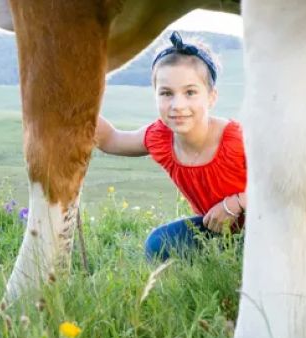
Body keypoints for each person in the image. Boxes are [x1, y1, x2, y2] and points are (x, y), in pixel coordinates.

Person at [95, 31, 247, 261]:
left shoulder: (237, 138)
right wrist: (72, 102)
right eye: (166, 93)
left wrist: (236, 203)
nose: (177, 104)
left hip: (268, 230)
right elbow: (110, 140)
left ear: (212, 97)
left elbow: (285, 186)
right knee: (158, 244)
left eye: (190, 92)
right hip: (216, 232)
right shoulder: (160, 137)